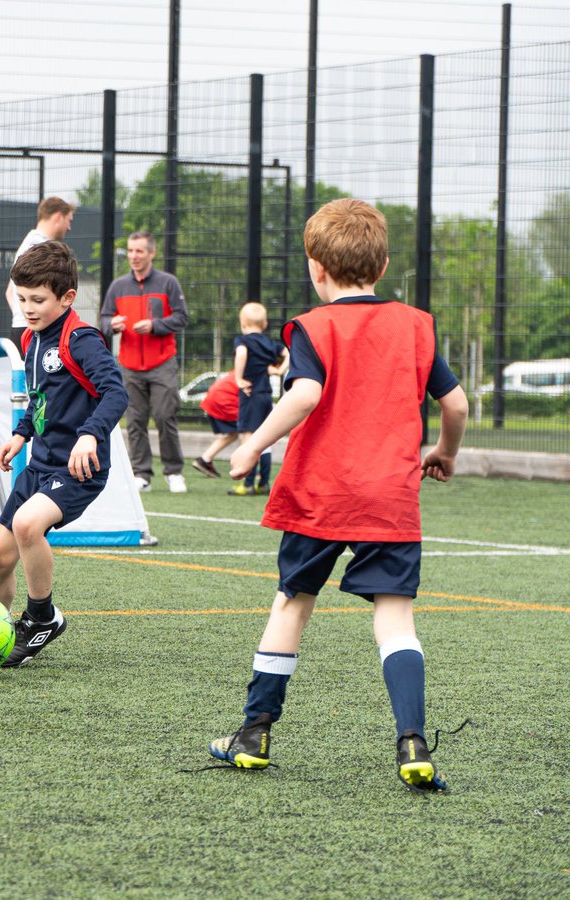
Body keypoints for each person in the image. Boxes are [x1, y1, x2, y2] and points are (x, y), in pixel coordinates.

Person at [206, 198, 468, 792]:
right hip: (389, 497)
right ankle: (412, 743)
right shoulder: (416, 325)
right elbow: (455, 404)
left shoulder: (313, 326)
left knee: (292, 603)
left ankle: (254, 735)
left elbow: (304, 395)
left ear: (315, 268)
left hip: (320, 494)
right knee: (395, 619)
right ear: (382, 265)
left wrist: (252, 446)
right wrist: (446, 453)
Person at [0, 241, 127, 667]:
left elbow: (115, 392)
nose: (27, 307)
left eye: (38, 300)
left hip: (78, 468)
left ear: (66, 298)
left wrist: (89, 435)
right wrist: (21, 433)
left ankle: (42, 617)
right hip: (40, 464)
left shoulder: (81, 340)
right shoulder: (32, 339)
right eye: (22, 298)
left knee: (29, 524)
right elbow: (40, 398)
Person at [100, 231, 190, 494]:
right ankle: (141, 474)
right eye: (130, 251)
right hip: (128, 365)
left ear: (151, 253)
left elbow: (182, 318)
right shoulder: (117, 287)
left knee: (165, 417)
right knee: (135, 421)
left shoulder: (168, 283)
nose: (134, 256)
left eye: (139, 251)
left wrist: (154, 325)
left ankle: (174, 472)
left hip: (162, 362)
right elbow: (104, 319)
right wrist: (112, 325)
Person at [226, 301, 288, 496]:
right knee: (265, 440)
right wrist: (280, 370)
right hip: (265, 395)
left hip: (250, 394)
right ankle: (264, 483)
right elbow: (288, 352)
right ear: (265, 323)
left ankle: (248, 483)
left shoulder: (243, 342)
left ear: (243, 322)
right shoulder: (269, 344)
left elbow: (242, 354)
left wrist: (238, 378)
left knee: (248, 438)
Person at [5, 196, 75, 348]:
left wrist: (24, 313)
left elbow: (10, 293)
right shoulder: (40, 248)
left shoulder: (30, 243)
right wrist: (32, 315)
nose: (69, 227)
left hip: (23, 329)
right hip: (34, 331)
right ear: (58, 216)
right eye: (69, 220)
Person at [191, 371, 240, 478]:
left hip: (214, 398)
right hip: (223, 401)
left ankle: (205, 459)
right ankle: (250, 468)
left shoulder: (244, 366)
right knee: (248, 432)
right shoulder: (254, 370)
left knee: (234, 433)